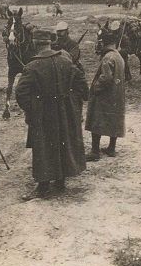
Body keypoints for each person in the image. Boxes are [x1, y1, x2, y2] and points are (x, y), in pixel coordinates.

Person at [16, 28, 89, 201]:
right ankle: (60, 181)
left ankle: (43, 188)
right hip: (65, 110)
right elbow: (82, 84)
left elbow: (21, 94)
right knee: (63, 141)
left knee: (43, 146)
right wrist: (73, 101)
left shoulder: (32, 66)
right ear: (50, 42)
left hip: (44, 113)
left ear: (34, 44)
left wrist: (33, 109)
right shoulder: (65, 59)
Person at [84, 27, 126, 161]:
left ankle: (95, 152)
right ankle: (111, 148)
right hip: (117, 95)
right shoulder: (118, 56)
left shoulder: (108, 57)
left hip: (105, 96)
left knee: (96, 120)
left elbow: (106, 77)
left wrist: (96, 88)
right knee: (114, 120)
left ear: (105, 43)